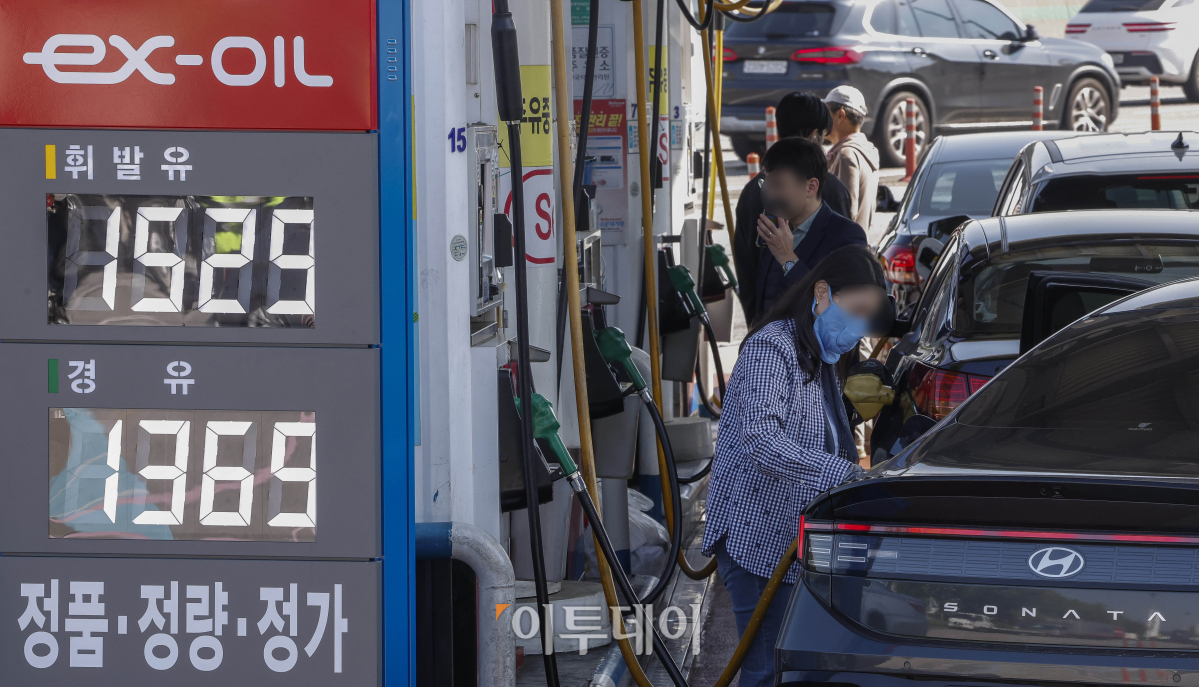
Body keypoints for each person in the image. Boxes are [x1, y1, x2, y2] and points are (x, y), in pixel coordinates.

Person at [702, 245, 887, 687]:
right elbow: (763, 441)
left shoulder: (819, 354)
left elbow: (815, 430)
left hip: (794, 541)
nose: (859, 327)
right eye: (856, 311)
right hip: (757, 539)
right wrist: (846, 475)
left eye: (868, 317)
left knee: (796, 669)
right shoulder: (772, 348)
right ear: (822, 292)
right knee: (767, 670)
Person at [733, 92, 853, 325]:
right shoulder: (831, 189)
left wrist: (755, 325)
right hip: (817, 337)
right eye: (824, 137)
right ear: (815, 135)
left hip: (768, 329)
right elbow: (846, 279)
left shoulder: (751, 192)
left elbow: (746, 271)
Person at [749, 137, 867, 320]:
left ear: (810, 187)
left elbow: (838, 313)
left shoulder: (846, 236)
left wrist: (788, 259)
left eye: (778, 185)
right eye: (767, 184)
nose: (770, 194)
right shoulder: (776, 229)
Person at [824, 85, 881, 231]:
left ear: (840, 115)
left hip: (842, 250)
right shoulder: (867, 149)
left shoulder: (846, 155)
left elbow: (845, 214)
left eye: (826, 112)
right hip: (858, 247)